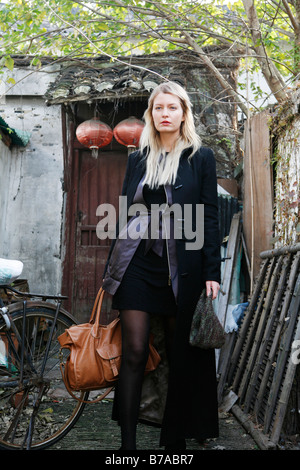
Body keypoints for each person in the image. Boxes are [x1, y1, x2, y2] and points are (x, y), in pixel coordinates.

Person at [102, 80, 221, 450]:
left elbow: (208, 217)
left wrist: (211, 271)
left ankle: (173, 444)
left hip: (180, 265)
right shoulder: (139, 156)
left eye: (172, 107)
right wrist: (113, 269)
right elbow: (125, 211)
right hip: (138, 260)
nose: (165, 114)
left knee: (178, 353)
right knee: (135, 350)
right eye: (159, 108)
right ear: (151, 114)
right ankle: (127, 445)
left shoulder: (200, 157)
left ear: (184, 113)